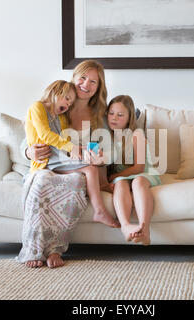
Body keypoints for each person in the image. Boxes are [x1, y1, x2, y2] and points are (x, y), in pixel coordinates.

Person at [19, 60, 119, 269]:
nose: (86, 84)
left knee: (74, 182)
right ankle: (34, 248)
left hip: (76, 168)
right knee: (42, 181)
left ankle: (55, 248)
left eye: (93, 82)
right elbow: (32, 136)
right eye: (82, 78)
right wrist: (29, 152)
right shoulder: (57, 106)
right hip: (49, 165)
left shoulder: (99, 116)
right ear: (73, 79)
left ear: (98, 88)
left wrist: (102, 157)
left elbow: (111, 150)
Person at [26, 79, 116, 225]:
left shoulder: (61, 117)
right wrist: (27, 152)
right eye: (67, 99)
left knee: (90, 164)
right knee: (90, 168)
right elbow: (45, 135)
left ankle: (101, 196)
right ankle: (99, 210)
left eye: (70, 104)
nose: (67, 105)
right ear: (54, 92)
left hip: (57, 156)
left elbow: (66, 140)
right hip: (47, 159)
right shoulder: (37, 107)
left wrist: (82, 149)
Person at [107, 95, 161, 246]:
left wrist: (115, 175)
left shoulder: (136, 134)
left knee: (138, 182)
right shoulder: (107, 136)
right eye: (111, 113)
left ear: (129, 118)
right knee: (120, 183)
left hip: (144, 173)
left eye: (120, 115)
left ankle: (144, 229)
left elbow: (139, 167)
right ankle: (125, 226)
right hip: (124, 177)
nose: (114, 118)